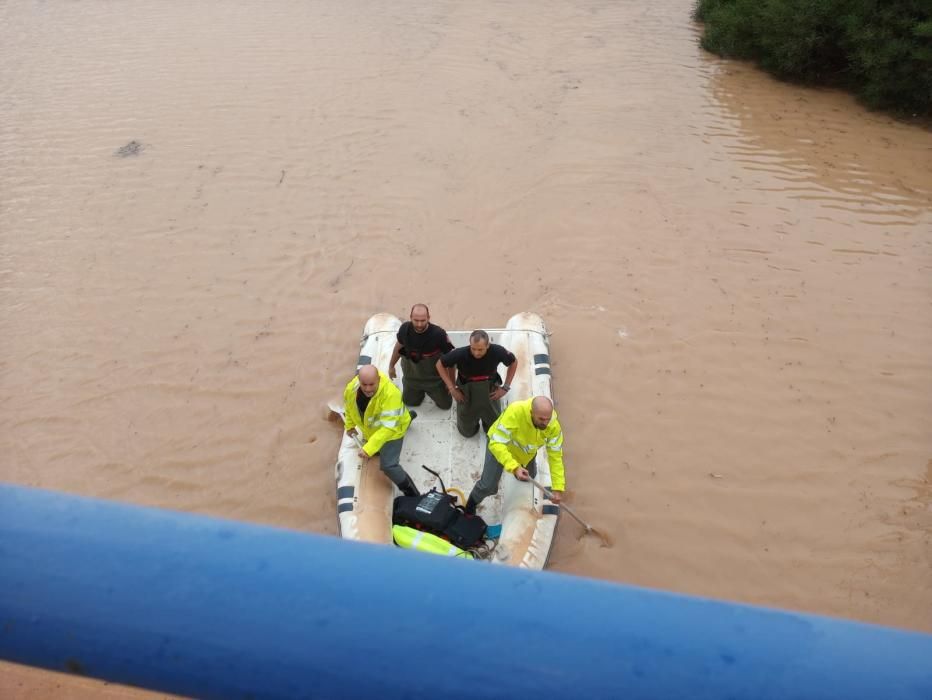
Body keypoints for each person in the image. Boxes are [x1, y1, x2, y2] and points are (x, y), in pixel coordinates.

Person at [464, 396, 565, 515]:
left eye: (548, 419)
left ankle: (519, 470)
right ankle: (471, 504)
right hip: (501, 447)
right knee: (488, 486)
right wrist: (514, 467)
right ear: (531, 413)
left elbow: (556, 457)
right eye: (541, 419)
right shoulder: (515, 412)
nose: (545, 423)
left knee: (530, 476)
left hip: (524, 453)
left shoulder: (553, 426)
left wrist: (558, 488)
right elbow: (496, 443)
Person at [342, 364, 419, 497]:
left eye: (371, 384)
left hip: (393, 431)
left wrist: (369, 448)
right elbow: (349, 409)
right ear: (358, 381)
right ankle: (408, 417)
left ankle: (412, 493)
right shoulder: (351, 389)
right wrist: (349, 425)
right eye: (364, 384)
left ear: (378, 379)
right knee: (377, 447)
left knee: (388, 466)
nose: (367, 389)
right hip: (375, 430)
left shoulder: (391, 394)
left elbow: (389, 428)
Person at [436, 330, 517, 438]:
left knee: (493, 426)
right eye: (473, 348)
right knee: (466, 431)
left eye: (480, 349)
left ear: (488, 345)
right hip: (466, 390)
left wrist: (505, 388)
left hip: (490, 389)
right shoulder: (460, 353)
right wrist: (452, 388)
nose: (476, 353)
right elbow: (439, 364)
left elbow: (513, 362)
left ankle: (489, 427)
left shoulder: (497, 351)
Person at [388, 304, 454, 410]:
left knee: (446, 405)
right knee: (409, 402)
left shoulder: (439, 334)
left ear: (429, 318)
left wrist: (451, 383)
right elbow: (398, 346)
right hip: (411, 378)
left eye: (423, 320)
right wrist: (391, 366)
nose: (419, 324)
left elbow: (451, 359)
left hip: (435, 380)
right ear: (410, 317)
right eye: (416, 320)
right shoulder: (404, 329)